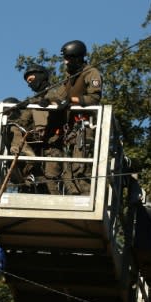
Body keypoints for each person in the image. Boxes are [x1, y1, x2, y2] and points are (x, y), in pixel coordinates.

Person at [59, 40, 103, 195]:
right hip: (71, 129)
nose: (65, 62)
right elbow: (60, 95)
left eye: (68, 58)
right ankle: (73, 198)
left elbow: (94, 98)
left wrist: (72, 101)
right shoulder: (70, 76)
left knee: (80, 168)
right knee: (67, 171)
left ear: (77, 58)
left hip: (84, 128)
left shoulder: (91, 73)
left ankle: (86, 197)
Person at [23, 64, 67, 195]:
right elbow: (23, 120)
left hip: (56, 144)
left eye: (31, 80)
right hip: (40, 147)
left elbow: (62, 102)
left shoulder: (57, 91)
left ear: (40, 76)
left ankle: (57, 208)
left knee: (52, 179)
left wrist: (48, 102)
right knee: (38, 180)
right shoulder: (34, 100)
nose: (30, 84)